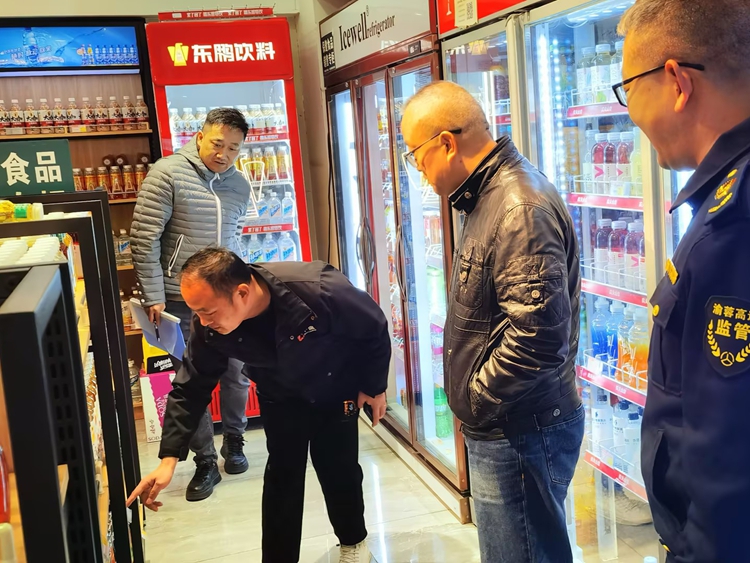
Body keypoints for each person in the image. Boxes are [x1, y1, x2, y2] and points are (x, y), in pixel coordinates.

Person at [400, 81, 583, 562]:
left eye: (415, 155)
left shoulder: (517, 207)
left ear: (446, 142)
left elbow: (538, 337)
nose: (417, 169)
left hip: (518, 427)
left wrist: (476, 400)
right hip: (511, 423)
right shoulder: (487, 194)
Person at [127, 247, 390, 563]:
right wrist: (168, 458)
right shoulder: (209, 324)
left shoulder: (318, 288)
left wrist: (374, 387)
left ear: (241, 292)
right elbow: (191, 386)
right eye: (196, 312)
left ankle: (353, 544)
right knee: (282, 476)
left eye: (208, 311)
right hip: (278, 393)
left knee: (339, 469)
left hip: (334, 387)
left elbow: (373, 328)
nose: (203, 321)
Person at [617, 1, 750, 560]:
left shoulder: (731, 222)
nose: (629, 112)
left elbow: (728, 456)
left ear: (676, 81)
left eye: (628, 88)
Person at [130, 107, 251, 501]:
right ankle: (204, 459)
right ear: (199, 136)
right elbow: (144, 238)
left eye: (233, 148)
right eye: (217, 143)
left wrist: (244, 290)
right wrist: (153, 294)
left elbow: (235, 239)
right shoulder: (167, 173)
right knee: (190, 380)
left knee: (236, 373)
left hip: (228, 300)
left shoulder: (239, 185)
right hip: (178, 299)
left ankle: (235, 441)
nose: (223, 154)